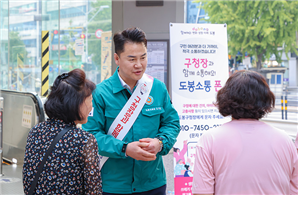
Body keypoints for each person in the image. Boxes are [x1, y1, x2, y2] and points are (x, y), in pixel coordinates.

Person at [82, 27, 180, 195]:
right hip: (113, 186)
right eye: (132, 59)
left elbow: (171, 122)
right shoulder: (100, 93)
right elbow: (91, 135)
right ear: (117, 58)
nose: (139, 65)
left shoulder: (157, 88)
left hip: (153, 183)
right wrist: (124, 149)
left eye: (143, 57)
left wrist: (161, 143)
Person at [192, 70, 298, 195]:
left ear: (225, 98)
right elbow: (295, 189)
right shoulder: (284, 140)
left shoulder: (210, 139)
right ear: (266, 100)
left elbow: (203, 193)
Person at [23, 69, 102, 195]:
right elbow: (94, 191)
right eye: (90, 100)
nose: (91, 107)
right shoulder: (84, 140)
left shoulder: (36, 131)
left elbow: (28, 181)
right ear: (76, 103)